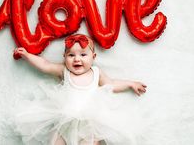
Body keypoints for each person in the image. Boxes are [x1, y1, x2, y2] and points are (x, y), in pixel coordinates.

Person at [13, 34, 147, 145]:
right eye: (71, 55)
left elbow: (111, 84)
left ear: (93, 57)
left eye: (83, 55)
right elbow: (45, 65)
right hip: (64, 122)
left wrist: (130, 84)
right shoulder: (64, 71)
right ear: (64, 57)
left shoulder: (96, 73)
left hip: (89, 124)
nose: (77, 59)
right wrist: (27, 55)